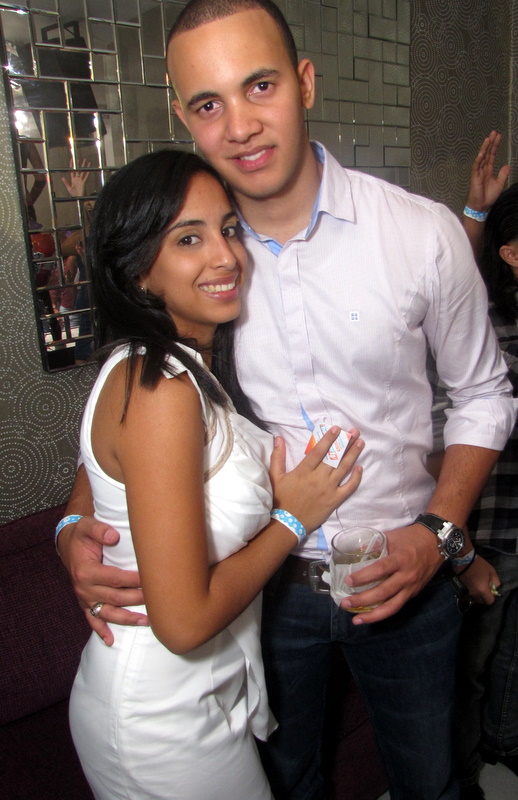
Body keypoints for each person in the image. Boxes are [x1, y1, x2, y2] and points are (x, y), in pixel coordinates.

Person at [57, 2, 516, 798]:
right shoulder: (196, 262)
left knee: (432, 782)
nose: (239, 126)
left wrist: (438, 533)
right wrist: (74, 527)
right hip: (258, 593)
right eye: (209, 104)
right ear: (184, 118)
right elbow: (141, 407)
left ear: (304, 83)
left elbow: (482, 392)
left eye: (260, 86)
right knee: (287, 781)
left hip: (404, 572)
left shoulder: (422, 234)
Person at [67, 148, 364, 800]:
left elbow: (105, 478)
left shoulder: (177, 367)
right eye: (188, 238)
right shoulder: (160, 388)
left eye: (228, 229)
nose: (226, 256)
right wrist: (292, 518)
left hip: (202, 692)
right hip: (159, 713)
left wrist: (69, 526)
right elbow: (183, 622)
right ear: (138, 270)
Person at [450, 138, 518, 800]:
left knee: (513, 656)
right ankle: (465, 772)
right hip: (489, 525)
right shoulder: (489, 325)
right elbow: (451, 285)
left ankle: (504, 742)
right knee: (472, 662)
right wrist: (475, 212)